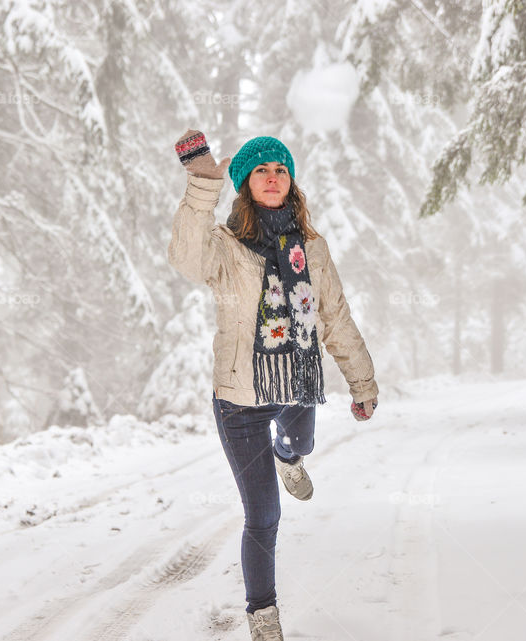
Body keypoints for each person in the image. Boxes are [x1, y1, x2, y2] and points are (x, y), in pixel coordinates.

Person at [169, 129, 379, 641]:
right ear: (244, 184)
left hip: (295, 386)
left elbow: (335, 317)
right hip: (240, 402)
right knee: (263, 515)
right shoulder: (225, 247)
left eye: (280, 169)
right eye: (261, 170)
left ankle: (291, 455)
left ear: (291, 180)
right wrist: (201, 184)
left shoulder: (313, 248)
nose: (272, 177)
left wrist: (362, 382)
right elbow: (186, 259)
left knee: (301, 441)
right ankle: (263, 614)